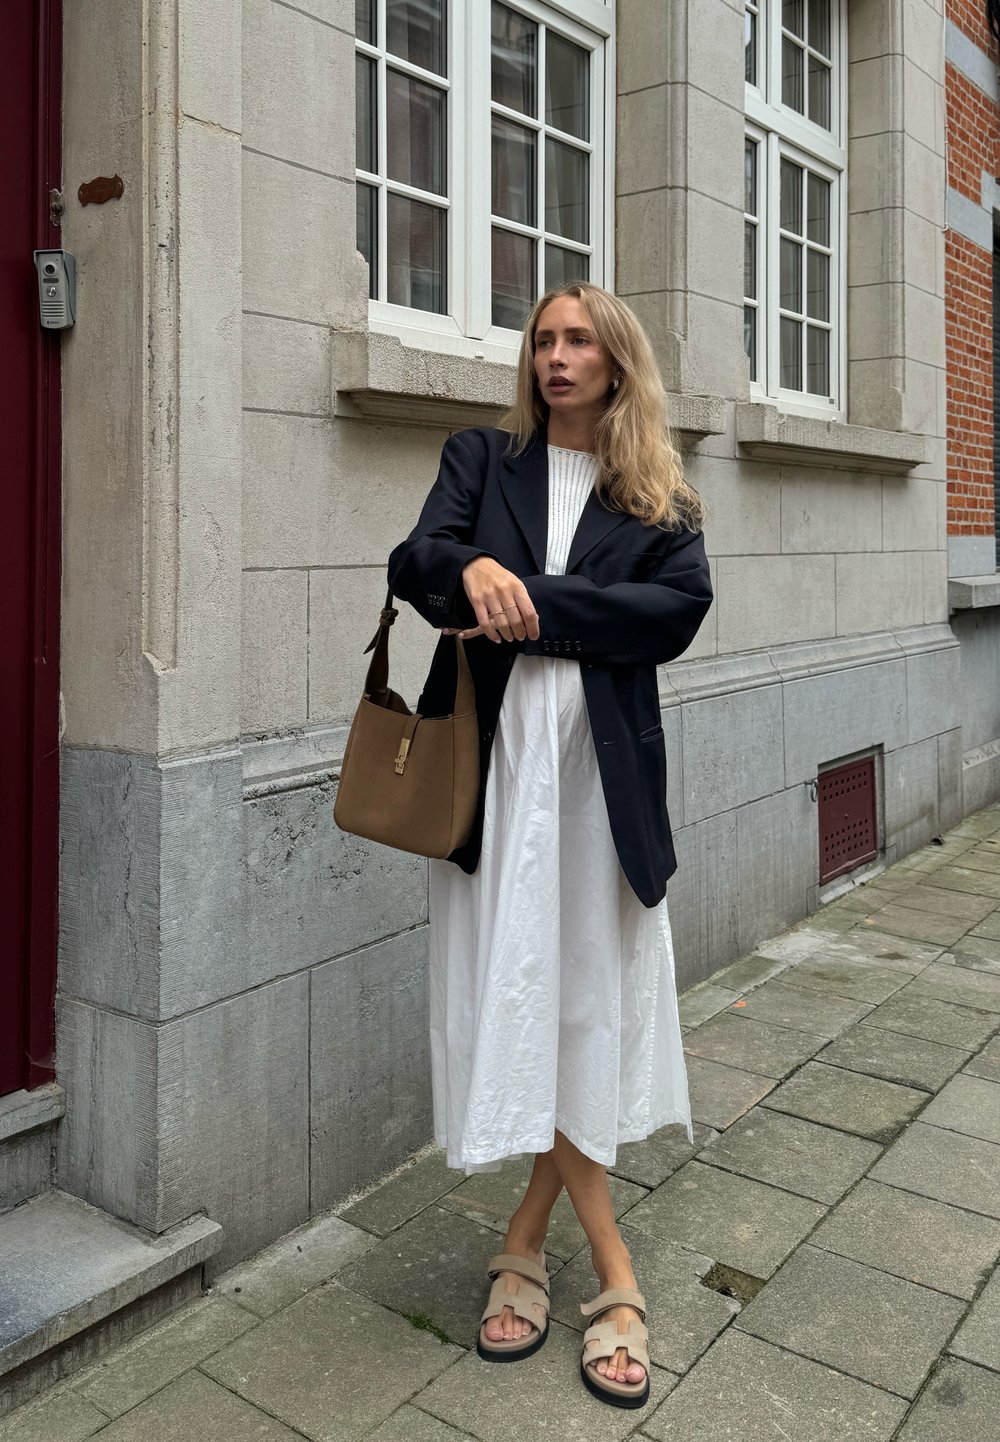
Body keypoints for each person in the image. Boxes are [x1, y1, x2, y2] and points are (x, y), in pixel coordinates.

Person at [387, 282, 712, 1410]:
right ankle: (609, 1272)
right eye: (542, 338)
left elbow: (673, 610)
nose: (555, 355)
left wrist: (528, 596)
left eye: (579, 340)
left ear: (617, 363)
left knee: (584, 999)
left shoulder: (659, 493)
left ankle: (527, 1243)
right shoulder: (481, 458)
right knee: (518, 991)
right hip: (495, 779)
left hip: (600, 785)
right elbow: (414, 557)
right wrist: (461, 568)